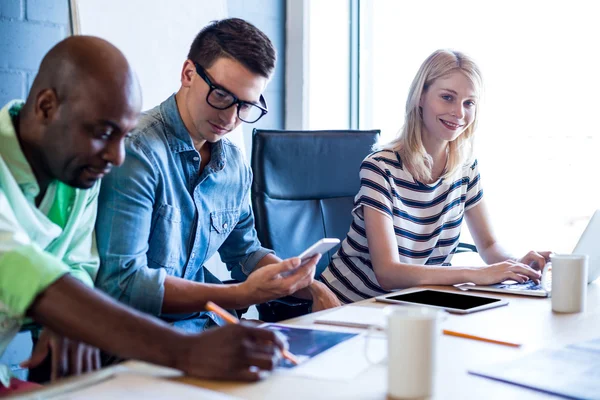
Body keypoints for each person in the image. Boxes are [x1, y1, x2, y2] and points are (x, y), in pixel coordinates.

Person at [0, 35, 288, 392]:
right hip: (142, 347)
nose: (117, 157)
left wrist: (70, 317)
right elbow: (25, 270)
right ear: (46, 107)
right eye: (104, 133)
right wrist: (190, 350)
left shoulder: (74, 171)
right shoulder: (114, 158)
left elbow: (78, 267)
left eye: (122, 135)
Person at [95, 18, 339, 333]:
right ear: (188, 74)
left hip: (202, 324)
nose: (230, 118)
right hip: (135, 335)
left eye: (246, 106)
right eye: (222, 96)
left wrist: (311, 286)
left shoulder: (234, 167)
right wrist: (240, 294)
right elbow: (123, 284)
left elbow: (246, 253)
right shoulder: (136, 152)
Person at [320, 49, 551, 303]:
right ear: (420, 97)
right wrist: (478, 274)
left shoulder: (465, 168)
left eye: (469, 103)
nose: (459, 113)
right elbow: (388, 273)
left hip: (413, 304)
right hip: (350, 304)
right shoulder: (380, 167)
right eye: (447, 97)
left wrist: (517, 265)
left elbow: (488, 245)